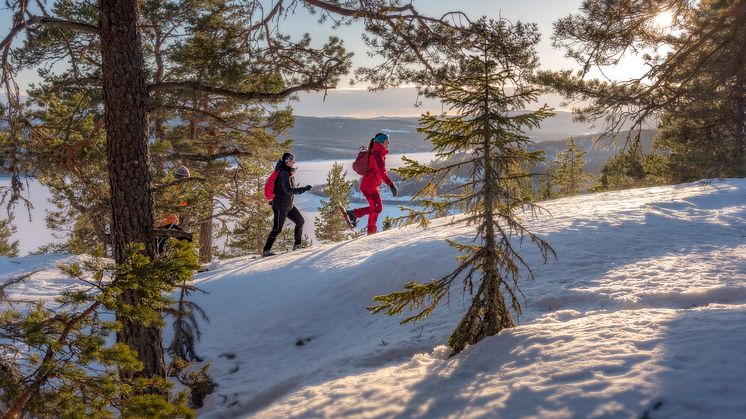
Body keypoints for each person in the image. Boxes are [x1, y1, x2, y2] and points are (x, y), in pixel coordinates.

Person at [344, 132, 398, 235]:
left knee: (375, 209)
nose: (389, 142)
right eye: (387, 141)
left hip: (371, 186)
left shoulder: (378, 153)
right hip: (370, 186)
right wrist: (391, 185)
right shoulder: (377, 154)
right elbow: (381, 172)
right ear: (382, 142)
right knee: (377, 208)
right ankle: (354, 214)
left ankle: (371, 232)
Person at [262, 152, 312, 257]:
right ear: (287, 161)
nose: (294, 162)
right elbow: (289, 190)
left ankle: (297, 245)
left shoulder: (288, 172)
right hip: (280, 206)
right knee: (277, 229)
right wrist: (304, 189)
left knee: (300, 221)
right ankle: (266, 251)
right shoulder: (283, 173)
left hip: (288, 205)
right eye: (292, 160)